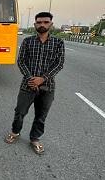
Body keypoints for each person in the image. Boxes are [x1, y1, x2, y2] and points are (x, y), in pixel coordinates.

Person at [5, 11, 65, 155]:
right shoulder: (28, 41)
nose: (42, 25)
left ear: (51, 24)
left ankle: (35, 138)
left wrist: (43, 78)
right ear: (35, 24)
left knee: (41, 115)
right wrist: (31, 79)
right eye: (39, 22)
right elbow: (21, 61)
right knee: (20, 112)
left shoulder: (58, 43)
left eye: (45, 22)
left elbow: (59, 63)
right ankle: (15, 132)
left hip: (47, 86)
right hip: (28, 84)